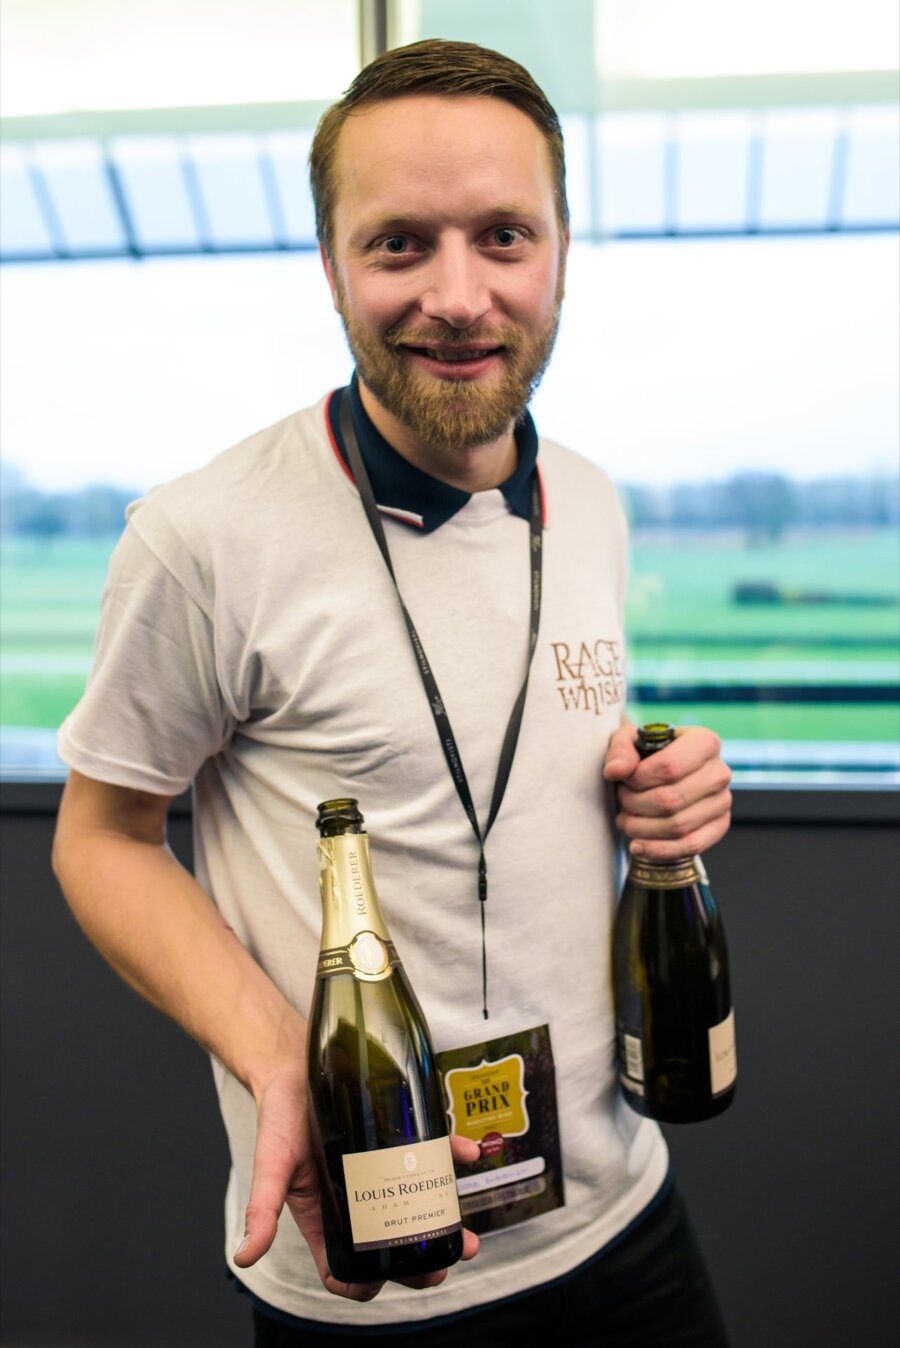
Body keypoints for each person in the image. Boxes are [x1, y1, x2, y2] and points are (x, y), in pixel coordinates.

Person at [52, 38, 734, 1348]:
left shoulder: (589, 500)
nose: (461, 294)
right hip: (371, 1247)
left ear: (563, 251)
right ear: (330, 268)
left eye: (503, 236)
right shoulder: (201, 539)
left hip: (621, 1209)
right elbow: (103, 838)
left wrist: (660, 788)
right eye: (400, 244)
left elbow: (542, 753)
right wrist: (270, 1050)